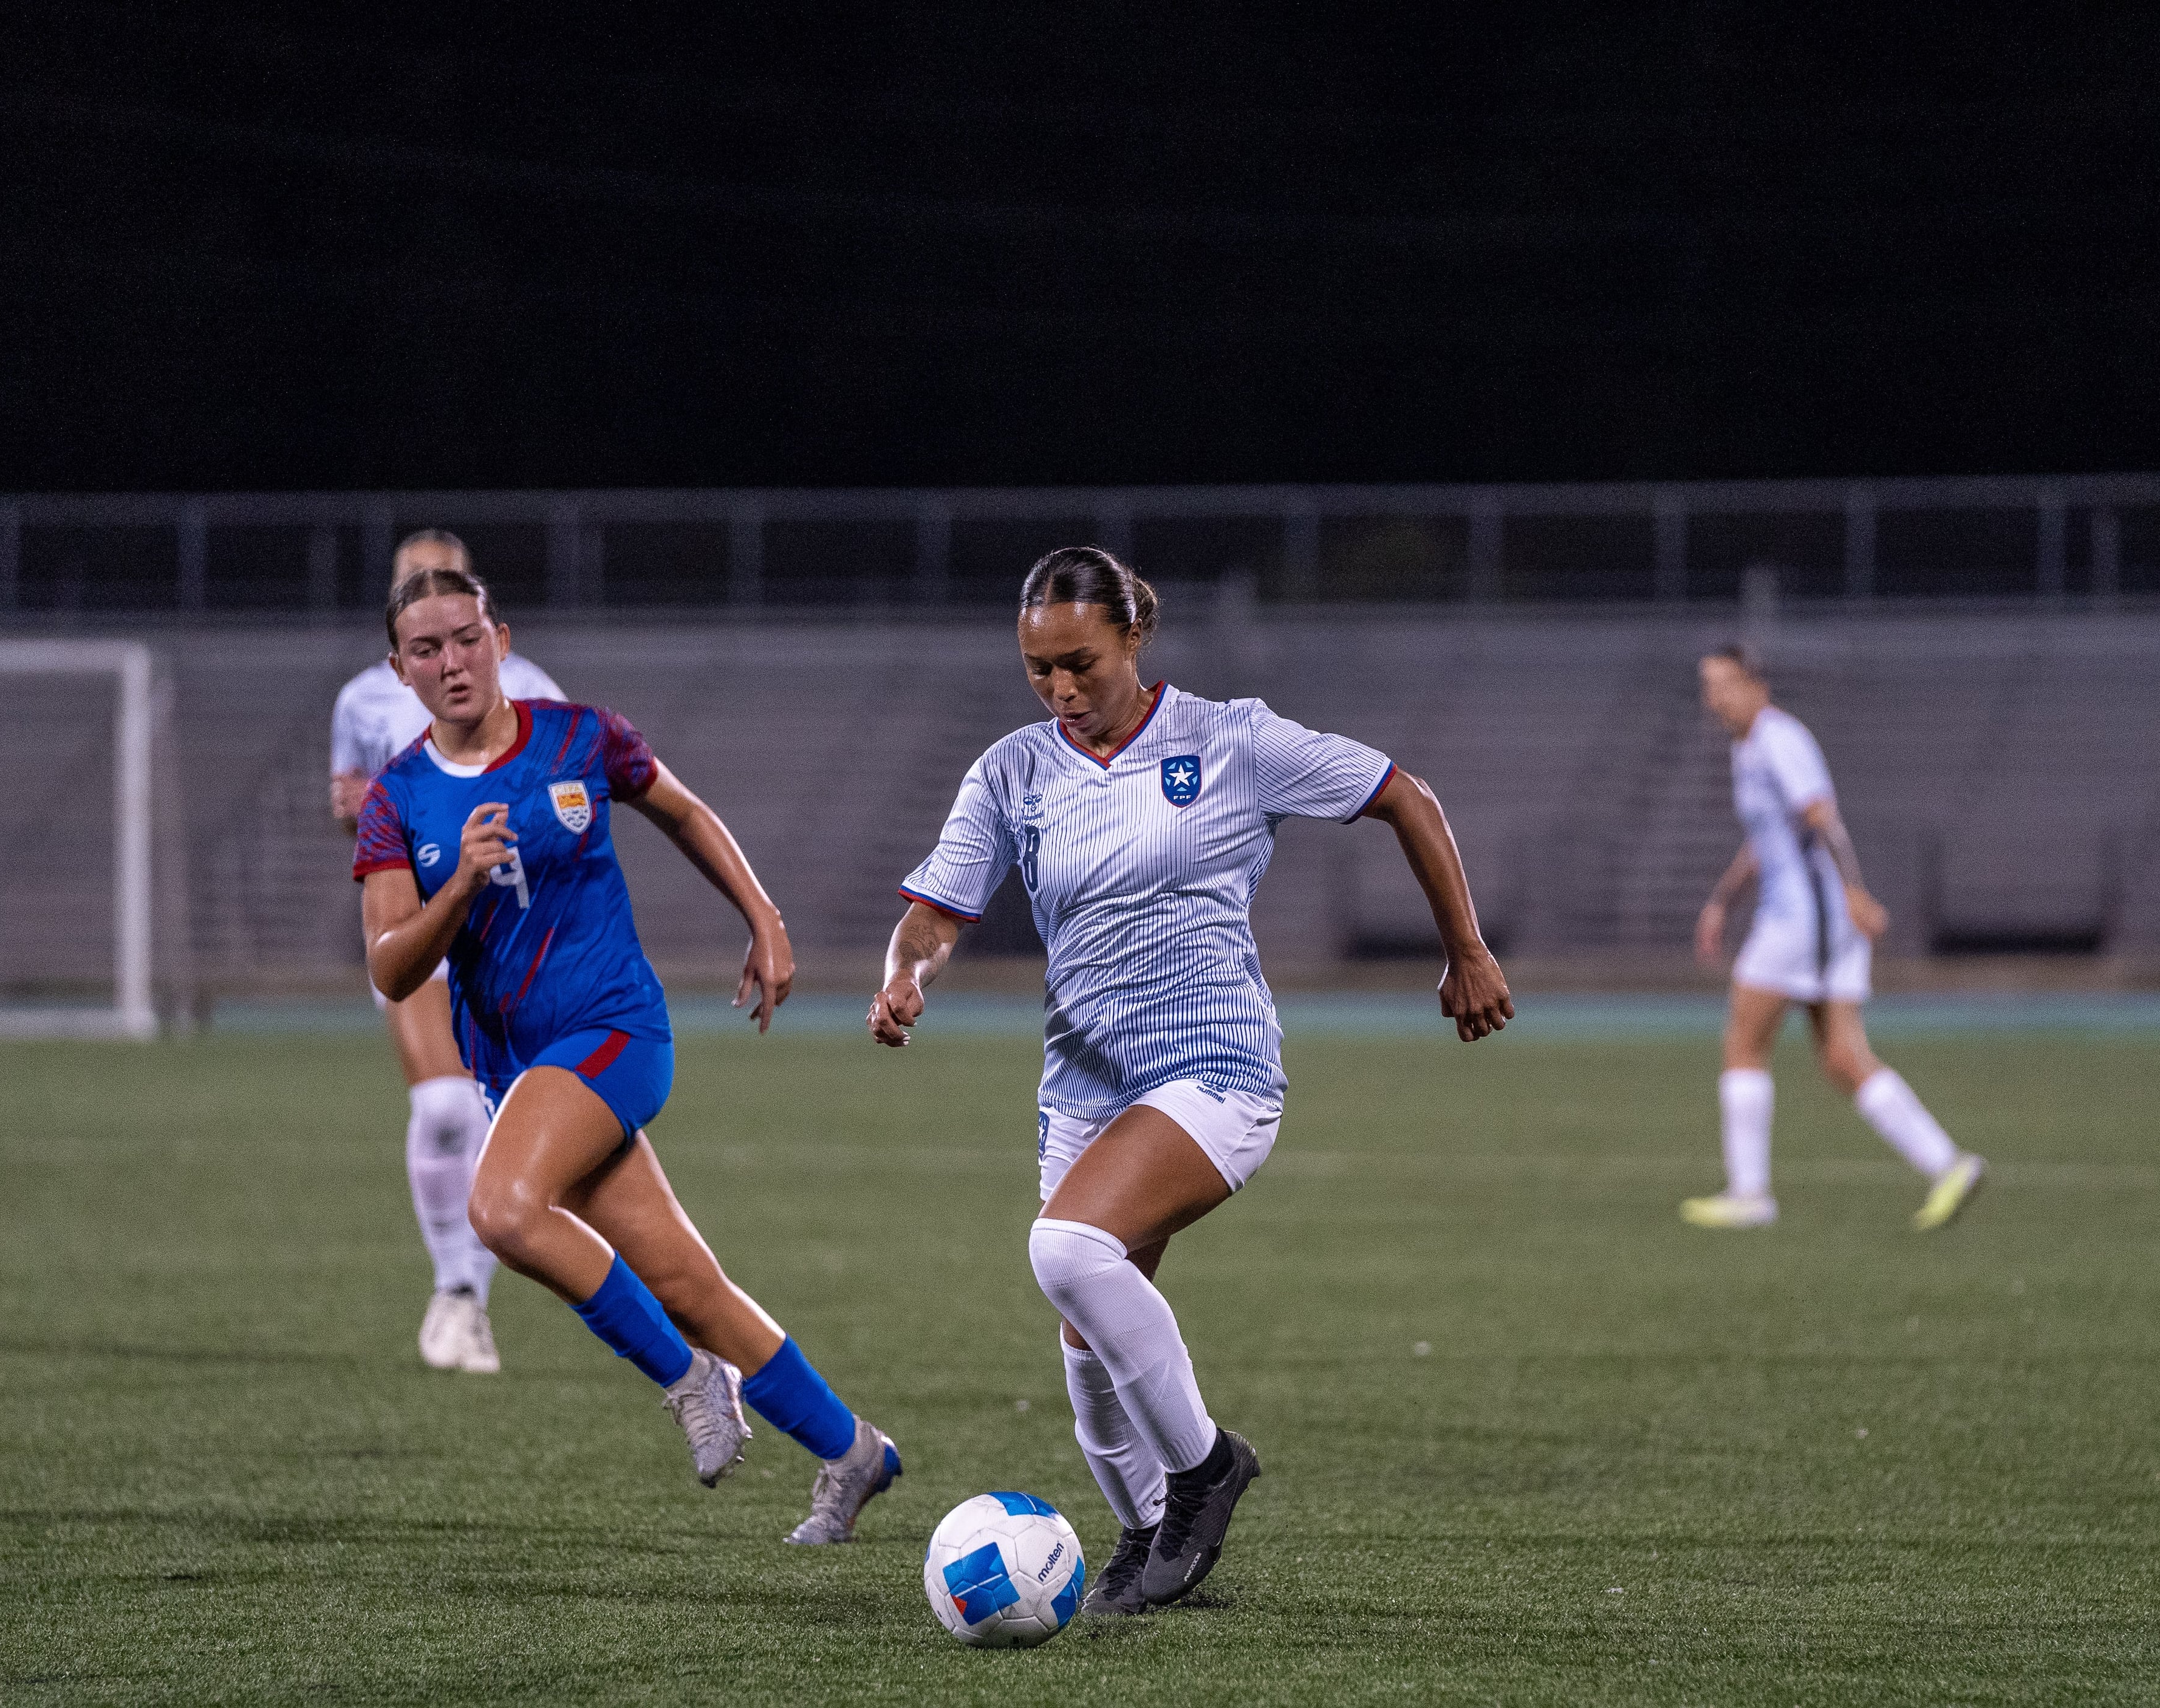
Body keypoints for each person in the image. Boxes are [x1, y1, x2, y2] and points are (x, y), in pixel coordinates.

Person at [870, 547, 1513, 1615]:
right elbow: (940, 907)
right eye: (1039, 670)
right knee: (1084, 1354)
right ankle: (1142, 1539)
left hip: (1214, 1069)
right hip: (1085, 1091)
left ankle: (1206, 1469)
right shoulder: (1014, 770)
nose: (1062, 690)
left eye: (1080, 661)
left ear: (1134, 636)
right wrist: (906, 974)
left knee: (1067, 1250)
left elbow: (1406, 795)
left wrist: (1468, 952)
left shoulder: (1232, 740)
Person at [354, 565, 901, 1544]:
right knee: (687, 1285)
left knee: (500, 1209)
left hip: (615, 1031)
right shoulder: (397, 800)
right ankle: (853, 1450)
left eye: (467, 638)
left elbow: (684, 812)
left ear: (502, 640)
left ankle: (691, 1381)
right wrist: (460, 891)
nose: (453, 662)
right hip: (517, 1073)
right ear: (400, 670)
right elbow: (393, 969)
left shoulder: (580, 736)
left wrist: (763, 918)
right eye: (426, 649)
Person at [330, 530, 566, 1376]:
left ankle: (666, 1323)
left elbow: (567, 788)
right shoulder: (363, 699)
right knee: (442, 1110)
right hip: (417, 922)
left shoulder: (529, 684)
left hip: (506, 932)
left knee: (513, 1126)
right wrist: (357, 806)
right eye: (410, 589)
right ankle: (456, 1294)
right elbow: (351, 807)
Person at [1678, 644, 1985, 1233]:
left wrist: (1852, 891)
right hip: (1806, 917)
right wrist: (1721, 900)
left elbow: (1821, 818)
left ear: (1755, 685)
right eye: (1706, 685)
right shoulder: (1748, 750)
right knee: (1842, 1057)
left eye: (1722, 683)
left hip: (1803, 919)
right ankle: (1947, 1165)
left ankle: (1749, 1194)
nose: (1712, 697)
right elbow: (1765, 841)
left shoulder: (1777, 739)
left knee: (1743, 1041)